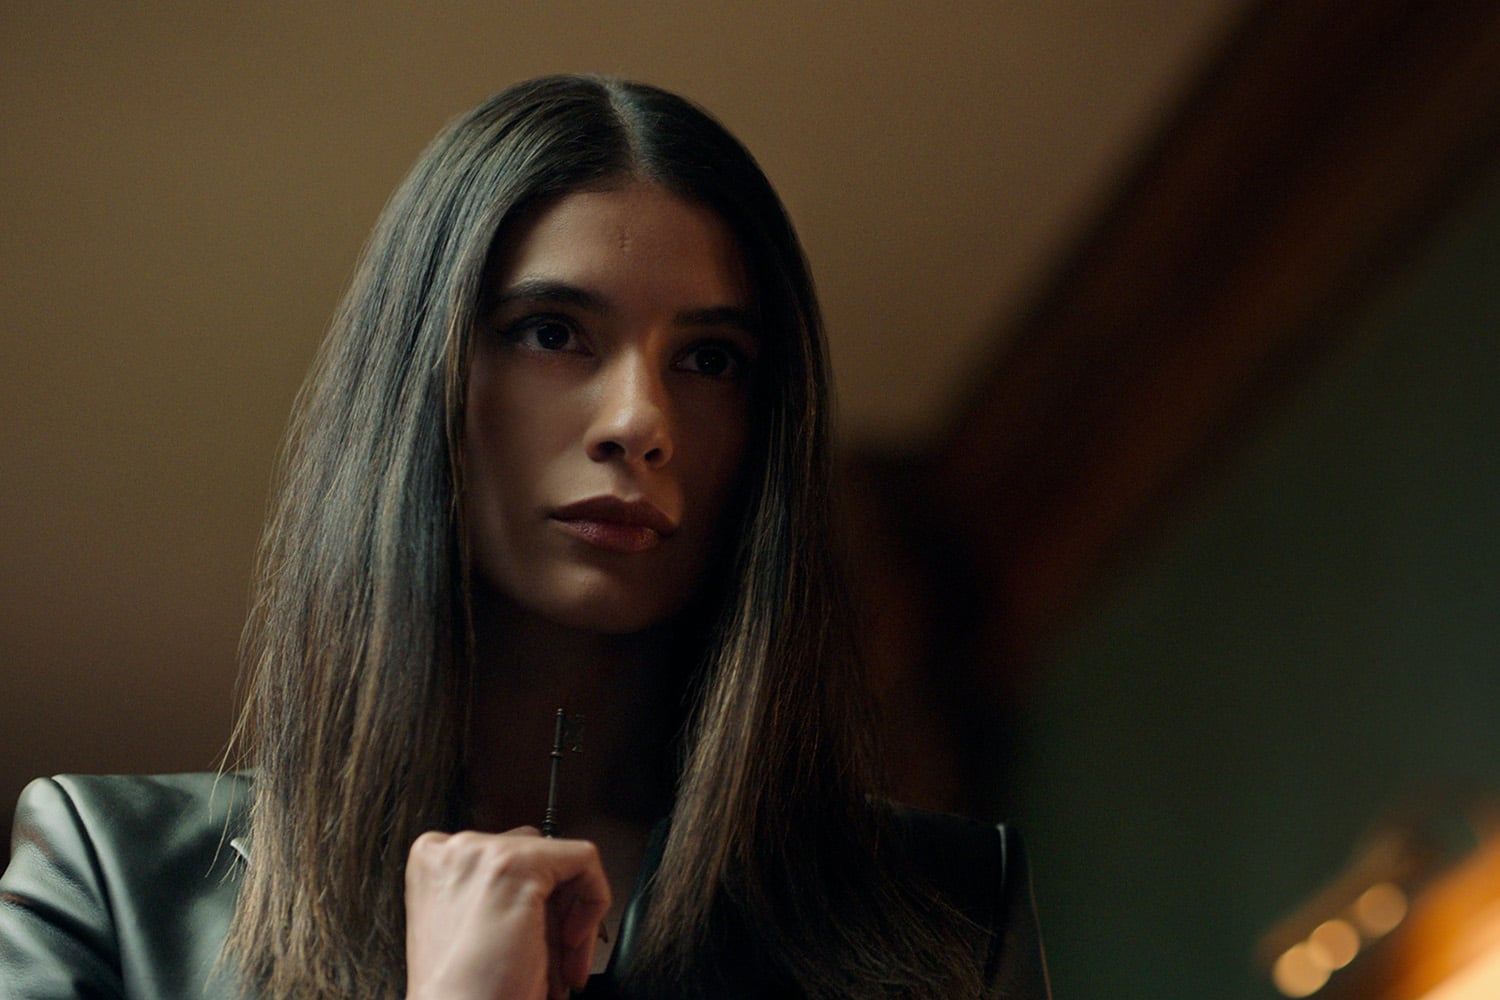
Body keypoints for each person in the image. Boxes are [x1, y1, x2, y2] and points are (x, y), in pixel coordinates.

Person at [0, 75, 1049, 999]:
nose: (638, 421)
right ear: (424, 383)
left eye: (711, 359)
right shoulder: (113, 880)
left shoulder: (949, 906)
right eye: (552, 333)